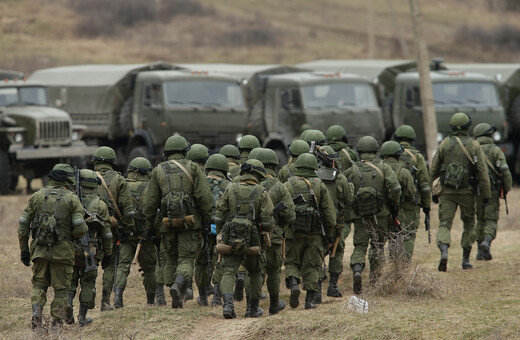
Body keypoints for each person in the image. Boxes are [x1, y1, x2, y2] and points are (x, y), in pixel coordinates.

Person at [143, 135, 213, 309]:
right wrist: (206, 222)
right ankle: (178, 285)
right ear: (184, 151)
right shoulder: (194, 168)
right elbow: (205, 199)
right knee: (187, 259)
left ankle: (176, 293)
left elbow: (149, 205)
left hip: (166, 224)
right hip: (190, 225)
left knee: (171, 259)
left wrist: (151, 227)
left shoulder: (158, 171)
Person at [18, 164, 88, 329]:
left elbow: (23, 225)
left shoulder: (36, 196)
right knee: (61, 290)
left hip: (40, 250)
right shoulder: (72, 199)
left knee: (39, 285)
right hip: (63, 252)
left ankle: (36, 312)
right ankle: (56, 322)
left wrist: (24, 250)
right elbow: (80, 228)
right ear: (68, 180)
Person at [430, 112, 491, 271]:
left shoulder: (444, 144)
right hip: (467, 192)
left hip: (447, 193)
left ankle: (444, 252)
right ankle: (465, 260)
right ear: (467, 127)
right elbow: (482, 173)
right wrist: (486, 195)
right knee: (469, 224)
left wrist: (433, 191)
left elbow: (434, 169)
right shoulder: (474, 145)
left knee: (444, 224)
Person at [215, 159, 274, 319]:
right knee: (254, 272)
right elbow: (268, 223)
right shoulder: (262, 192)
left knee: (228, 271)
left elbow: (219, 216)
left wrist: (222, 233)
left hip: (231, 237)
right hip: (253, 240)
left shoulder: (230, 189)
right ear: (258, 175)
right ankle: (252, 309)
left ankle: (228, 305)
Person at [344, 136, 401, 294]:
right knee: (377, 246)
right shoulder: (384, 167)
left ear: (359, 151)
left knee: (360, 246)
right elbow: (395, 188)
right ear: (376, 150)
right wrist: (393, 204)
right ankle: (374, 280)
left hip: (359, 216)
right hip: (380, 215)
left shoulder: (351, 170)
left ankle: (357, 270)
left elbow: (344, 191)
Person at [284, 153, 336, 309]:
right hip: (314, 233)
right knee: (312, 264)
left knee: (292, 260)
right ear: (315, 168)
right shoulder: (319, 185)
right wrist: (330, 233)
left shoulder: (288, 184)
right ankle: (309, 301)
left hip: (293, 231)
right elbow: (328, 213)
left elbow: (282, 209)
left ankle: (293, 283)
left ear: (297, 166)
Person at [250, 148, 296, 315]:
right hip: (274, 236)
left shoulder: (251, 185)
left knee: (253, 271)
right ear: (274, 166)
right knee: (273, 270)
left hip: (253, 236)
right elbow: (291, 215)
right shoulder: (280, 187)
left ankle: (252, 307)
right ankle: (274, 305)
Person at [66, 169, 113, 326]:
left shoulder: (69, 200)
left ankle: (67, 306)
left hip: (70, 250)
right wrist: (108, 254)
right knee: (88, 282)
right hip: (90, 251)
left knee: (70, 281)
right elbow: (106, 234)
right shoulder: (100, 205)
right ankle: (82, 316)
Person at [92, 146, 135, 311]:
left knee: (88, 264)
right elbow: (128, 210)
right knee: (110, 265)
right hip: (112, 229)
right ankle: (105, 302)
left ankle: (79, 301)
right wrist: (128, 228)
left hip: (90, 230)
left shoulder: (84, 177)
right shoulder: (119, 180)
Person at [114, 157, 158, 307]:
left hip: (126, 234)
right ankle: (151, 300)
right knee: (150, 269)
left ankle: (117, 298)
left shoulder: (122, 186)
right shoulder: (151, 187)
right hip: (145, 236)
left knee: (122, 266)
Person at [316, 146, 353, 300]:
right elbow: (348, 200)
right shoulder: (340, 178)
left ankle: (316, 291)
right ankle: (333, 286)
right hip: (336, 223)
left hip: (318, 222)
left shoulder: (314, 177)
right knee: (337, 251)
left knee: (317, 253)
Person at [472, 123, 512, 261]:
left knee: (480, 219)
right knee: (491, 219)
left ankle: (479, 252)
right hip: (493, 191)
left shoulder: (472, 150)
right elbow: (505, 171)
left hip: (477, 191)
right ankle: (487, 242)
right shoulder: (495, 150)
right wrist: (507, 187)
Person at [195, 154, 231, 307]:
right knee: (221, 262)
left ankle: (203, 296)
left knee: (201, 263)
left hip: (202, 229)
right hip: (222, 230)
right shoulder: (230, 186)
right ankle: (217, 295)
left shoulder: (199, 183)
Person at [393, 125, 431, 261]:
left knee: (393, 233)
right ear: (412, 139)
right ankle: (404, 265)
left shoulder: (389, 154)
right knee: (408, 234)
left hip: (392, 200)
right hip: (411, 201)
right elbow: (425, 185)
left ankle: (393, 264)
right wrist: (426, 206)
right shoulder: (417, 157)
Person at [379, 141, 416, 261]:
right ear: (398, 155)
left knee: (378, 242)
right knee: (396, 237)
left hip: (380, 211)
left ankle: (377, 266)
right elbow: (410, 193)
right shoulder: (404, 171)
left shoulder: (378, 169)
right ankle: (395, 265)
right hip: (397, 211)